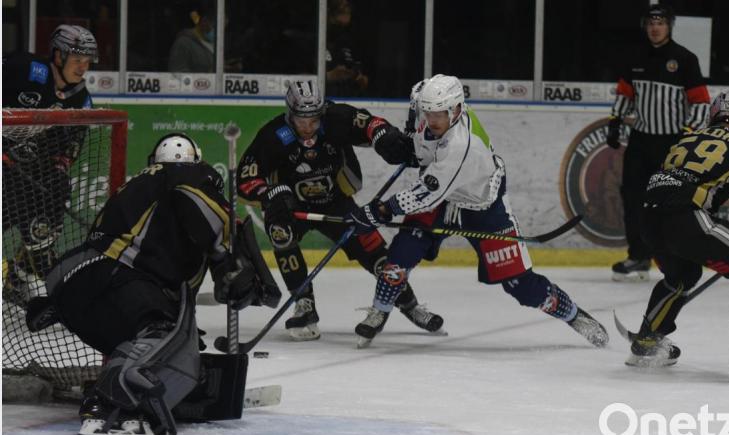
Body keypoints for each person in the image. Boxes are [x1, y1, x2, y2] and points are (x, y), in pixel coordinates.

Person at [33, 134, 275, 435]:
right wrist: (227, 258)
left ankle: (114, 393)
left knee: (157, 337)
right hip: (115, 278)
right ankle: (108, 397)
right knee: (160, 330)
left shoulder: (142, 183)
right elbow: (203, 210)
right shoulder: (189, 174)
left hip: (75, 284)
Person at [345, 74, 609, 349]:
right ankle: (381, 309)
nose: (432, 120)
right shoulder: (437, 112)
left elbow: (424, 195)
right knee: (403, 251)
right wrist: (409, 145)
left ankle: (575, 316)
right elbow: (421, 134)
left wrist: (380, 211)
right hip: (443, 197)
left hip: (481, 205)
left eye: (439, 114)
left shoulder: (462, 145)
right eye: (428, 112)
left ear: (457, 110)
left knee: (521, 285)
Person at [237, 80, 443, 341]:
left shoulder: (335, 118)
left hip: (336, 202)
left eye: (314, 119)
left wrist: (384, 136)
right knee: (280, 233)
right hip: (292, 207)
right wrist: (271, 194)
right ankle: (304, 304)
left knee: (375, 252)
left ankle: (409, 304)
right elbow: (245, 180)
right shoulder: (274, 136)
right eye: (302, 120)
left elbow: (371, 124)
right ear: (290, 114)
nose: (309, 128)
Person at [624, 91, 729, 384]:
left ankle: (648, 342)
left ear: (712, 117)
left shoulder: (686, 139)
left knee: (682, 274)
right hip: (686, 218)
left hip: (647, 219)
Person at [606, 5, 710, 281]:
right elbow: (625, 92)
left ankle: (678, 259)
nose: (655, 27)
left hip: (671, 143)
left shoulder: (685, 59)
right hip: (641, 141)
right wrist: (615, 120)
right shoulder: (635, 57)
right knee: (633, 199)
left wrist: (686, 135)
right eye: (651, 22)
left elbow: (700, 102)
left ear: (670, 25)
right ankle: (639, 257)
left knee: (672, 203)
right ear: (645, 26)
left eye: (661, 22)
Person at [2, 24, 97, 305]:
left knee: (54, 194)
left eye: (87, 61)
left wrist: (59, 166)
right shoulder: (26, 69)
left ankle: (18, 276)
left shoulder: (81, 99)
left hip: (21, 171)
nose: (83, 67)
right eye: (77, 60)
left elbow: (71, 143)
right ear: (58, 56)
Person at [325, 0, 369, 97]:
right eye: (340, 12)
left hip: (348, 101)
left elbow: (361, 75)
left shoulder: (349, 42)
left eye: (348, 12)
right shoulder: (315, 43)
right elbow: (300, 79)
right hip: (322, 100)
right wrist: (328, 76)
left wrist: (360, 79)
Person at [168, 3, 215, 72]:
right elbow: (177, 73)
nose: (221, 32)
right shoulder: (183, 44)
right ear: (204, 21)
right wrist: (207, 76)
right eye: (215, 26)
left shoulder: (213, 43)